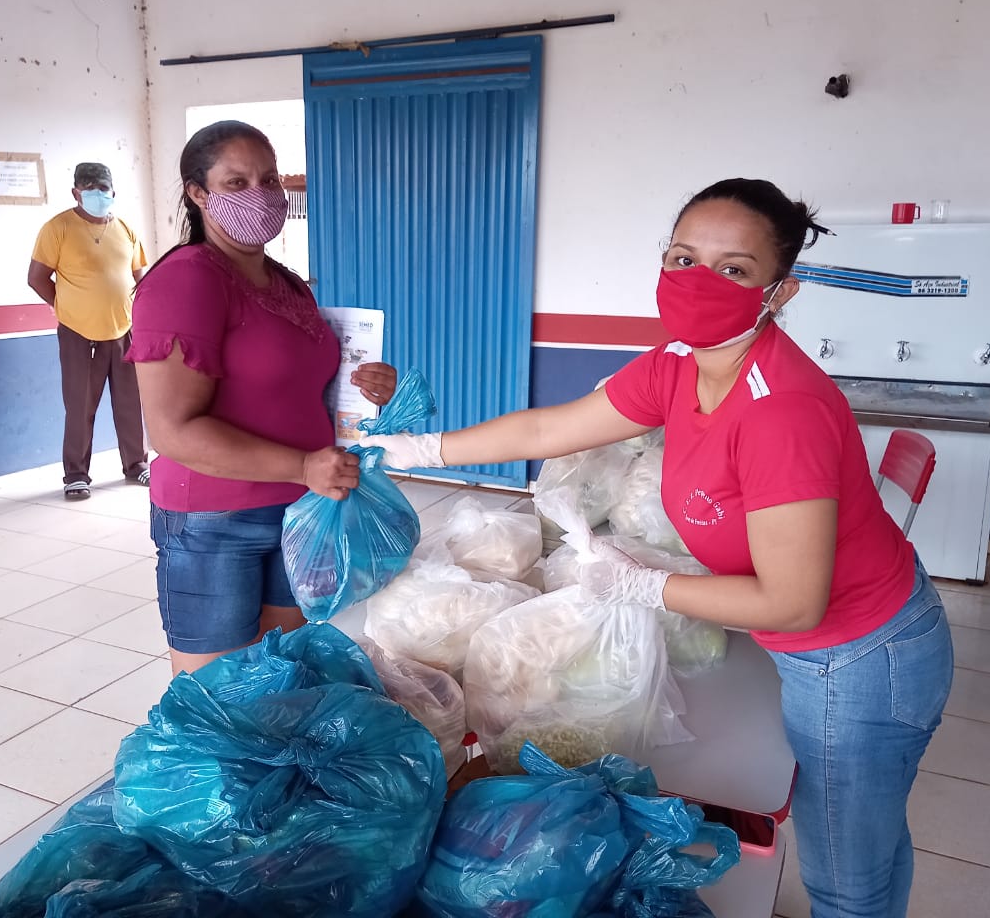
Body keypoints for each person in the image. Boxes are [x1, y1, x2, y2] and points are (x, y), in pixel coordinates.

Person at [364, 179, 954, 918]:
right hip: (823, 643)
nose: (699, 282)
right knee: (863, 844)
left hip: (860, 655)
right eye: (683, 258)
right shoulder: (680, 362)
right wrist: (423, 448)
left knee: (846, 875)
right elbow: (550, 429)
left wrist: (645, 586)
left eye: (734, 268)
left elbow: (793, 602)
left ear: (780, 292)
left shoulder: (781, 412)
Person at [126, 120, 397, 677]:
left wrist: (366, 388)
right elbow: (172, 430)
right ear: (198, 193)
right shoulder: (186, 281)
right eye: (237, 182)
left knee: (278, 680)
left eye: (269, 179)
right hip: (215, 520)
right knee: (219, 694)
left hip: (299, 509)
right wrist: (302, 465)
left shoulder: (286, 283)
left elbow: (296, 388)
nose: (261, 194)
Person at [28, 162, 150, 501]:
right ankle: (76, 475)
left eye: (103, 189)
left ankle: (136, 465)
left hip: (124, 331)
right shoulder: (58, 228)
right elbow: (36, 278)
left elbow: (141, 278)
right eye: (90, 189)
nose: (98, 195)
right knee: (81, 407)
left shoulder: (125, 229)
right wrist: (66, 306)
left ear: (113, 191)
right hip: (79, 334)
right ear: (76, 193)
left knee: (130, 403)